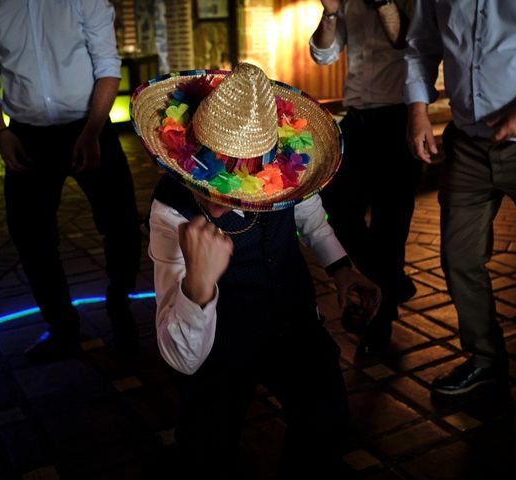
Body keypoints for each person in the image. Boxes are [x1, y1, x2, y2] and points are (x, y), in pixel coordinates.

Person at [136, 63, 381, 476]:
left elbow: (310, 218)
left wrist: (341, 269)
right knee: (204, 450)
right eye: (211, 173)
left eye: (245, 171)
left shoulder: (285, 174)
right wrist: (198, 285)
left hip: (291, 320)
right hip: (219, 342)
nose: (220, 194)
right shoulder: (170, 213)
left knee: (327, 419)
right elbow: (181, 357)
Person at [405, 1, 516, 402]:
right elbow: (422, 43)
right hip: (469, 144)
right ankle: (485, 361)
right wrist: (418, 110)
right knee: (459, 258)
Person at [0, 0, 142, 361]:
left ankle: (120, 306)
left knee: (122, 224)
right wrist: (0, 133)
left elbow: (107, 65)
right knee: (31, 237)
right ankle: (63, 327)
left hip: (90, 125)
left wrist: (93, 130)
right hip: (27, 134)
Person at [309, 0, 421, 354]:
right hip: (357, 118)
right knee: (336, 209)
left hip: (400, 118)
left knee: (390, 227)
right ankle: (392, 283)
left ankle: (380, 322)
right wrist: (329, 12)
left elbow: (409, 40)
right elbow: (323, 55)